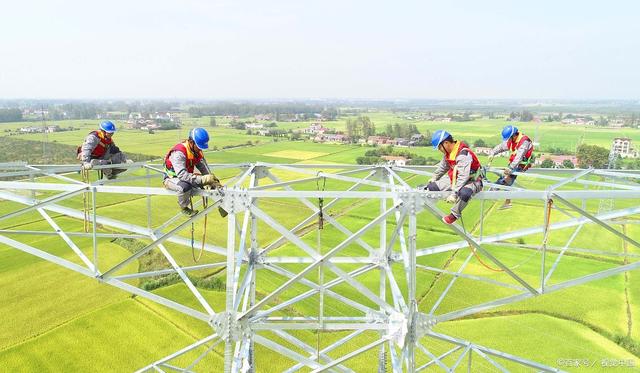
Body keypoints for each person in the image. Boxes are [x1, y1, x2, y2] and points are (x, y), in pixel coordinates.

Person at [425, 130, 483, 225]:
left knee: (464, 193)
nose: (440, 150)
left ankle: (454, 215)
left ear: (446, 143)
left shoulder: (463, 155)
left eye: (439, 147)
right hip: (455, 178)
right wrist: (434, 177)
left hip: (472, 181)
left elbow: (463, 177)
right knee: (432, 187)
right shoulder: (449, 154)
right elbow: (443, 167)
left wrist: (454, 193)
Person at [163, 127, 222, 216]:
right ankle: (184, 207)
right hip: (172, 179)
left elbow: (204, 169)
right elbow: (182, 175)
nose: (200, 149)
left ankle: (221, 204)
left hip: (186, 176)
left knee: (211, 181)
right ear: (191, 142)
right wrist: (203, 180)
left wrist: (213, 181)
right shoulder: (179, 153)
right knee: (185, 186)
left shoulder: (196, 152)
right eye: (198, 147)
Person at [488, 125, 535, 209]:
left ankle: (493, 191)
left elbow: (519, 157)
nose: (508, 140)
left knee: (506, 179)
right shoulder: (512, 140)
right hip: (514, 164)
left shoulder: (524, 142)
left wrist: (511, 168)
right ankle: (507, 201)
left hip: (522, 164)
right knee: (507, 179)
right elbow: (501, 146)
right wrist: (492, 153)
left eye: (509, 138)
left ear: (514, 135)